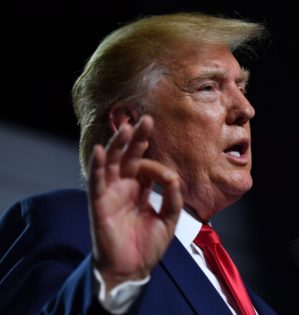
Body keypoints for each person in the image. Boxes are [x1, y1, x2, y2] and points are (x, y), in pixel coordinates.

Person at [0, 12, 277, 315]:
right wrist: (113, 281)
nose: (246, 109)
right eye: (208, 87)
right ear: (131, 124)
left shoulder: (259, 307)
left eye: (242, 87)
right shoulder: (68, 223)